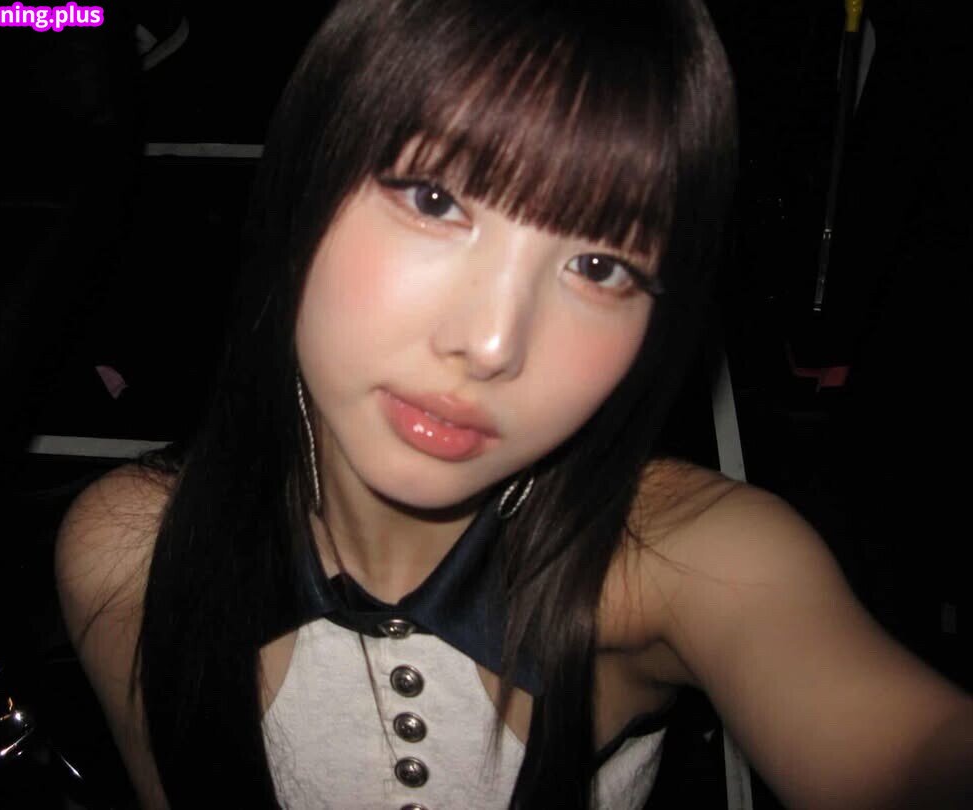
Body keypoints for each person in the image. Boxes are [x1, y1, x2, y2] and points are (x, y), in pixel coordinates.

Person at [53, 1, 973, 808]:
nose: (493, 344)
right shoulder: (128, 559)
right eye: (434, 199)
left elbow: (906, 754)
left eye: (600, 266)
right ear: (303, 177)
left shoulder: (679, 564)